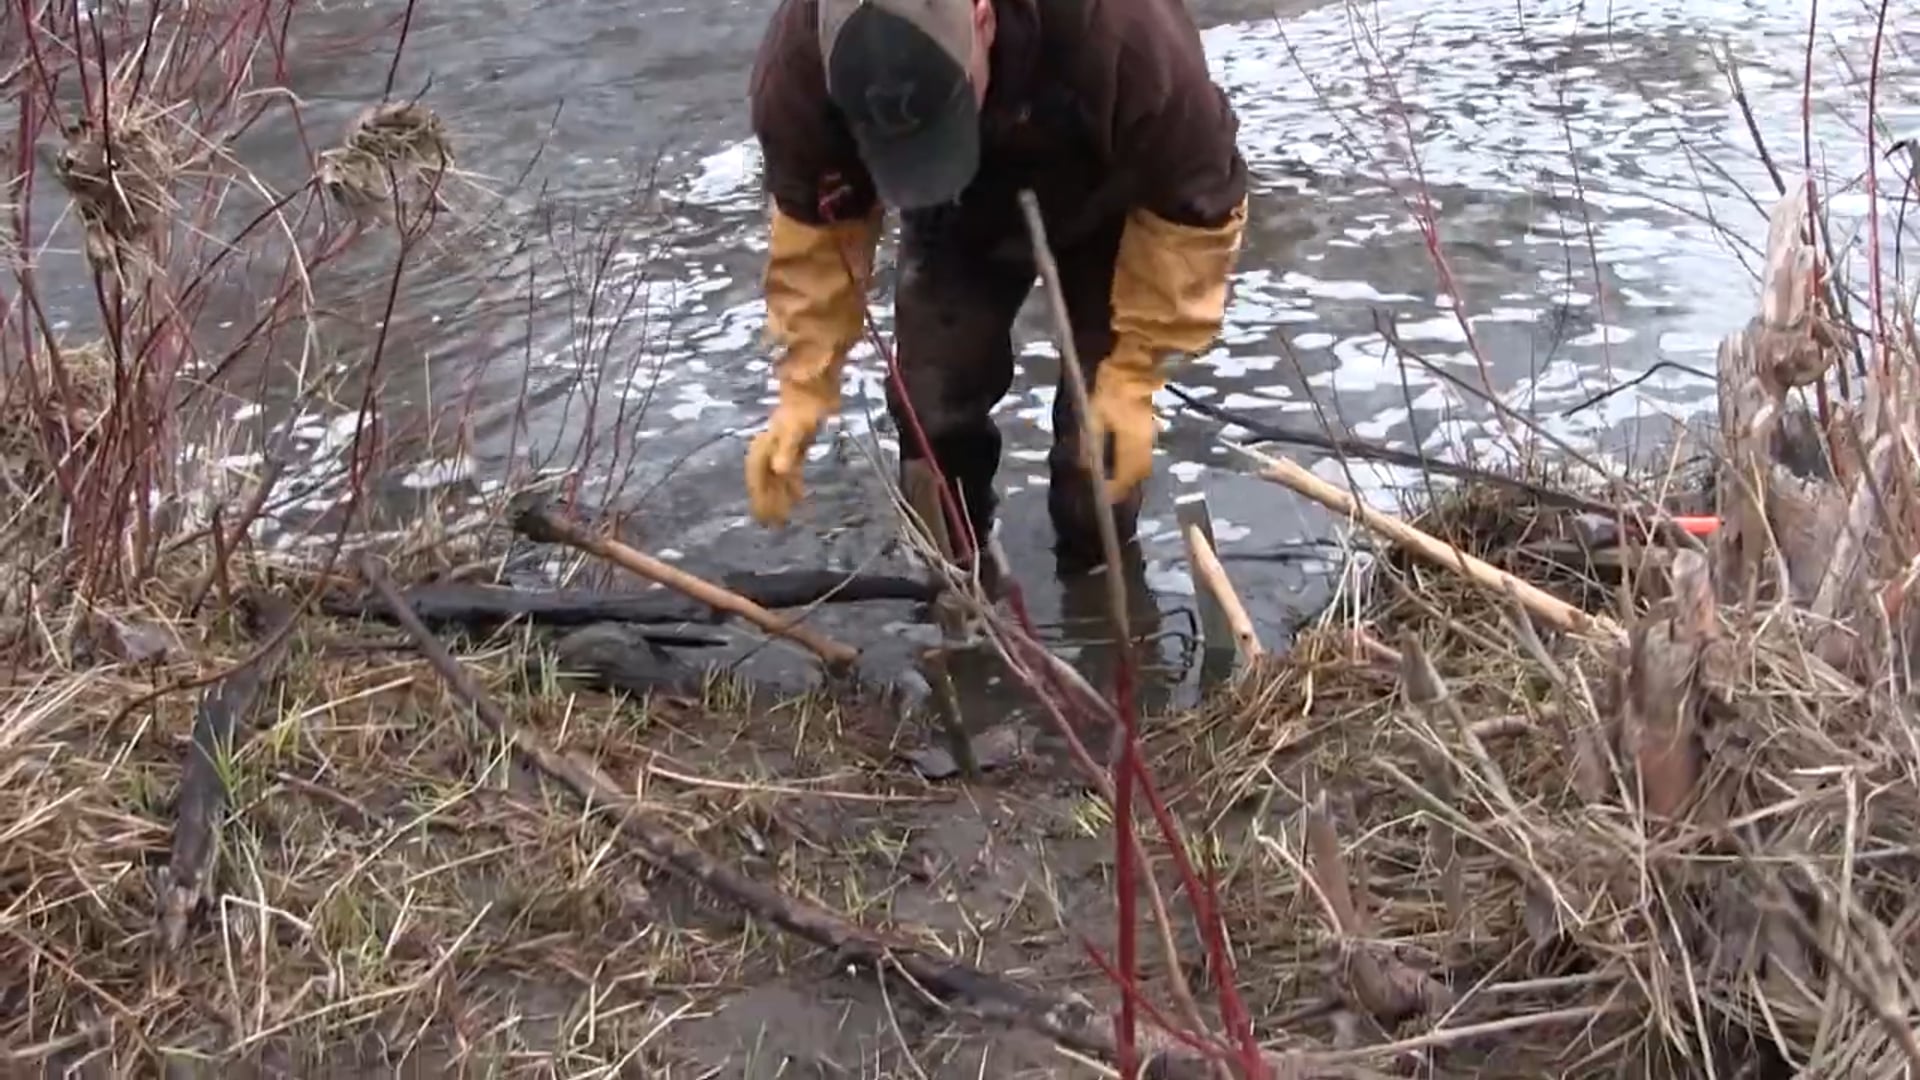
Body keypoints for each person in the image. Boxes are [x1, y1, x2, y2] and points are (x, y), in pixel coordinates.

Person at [742, 0, 1248, 577]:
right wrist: (806, 381)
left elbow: (1196, 207)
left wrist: (1135, 370)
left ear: (983, 20)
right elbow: (819, 225)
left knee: (1097, 458)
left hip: (1109, 190)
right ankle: (958, 603)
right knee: (930, 424)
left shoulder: (1125, 34)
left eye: (944, 110)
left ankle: (1105, 602)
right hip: (953, 210)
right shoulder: (800, 64)